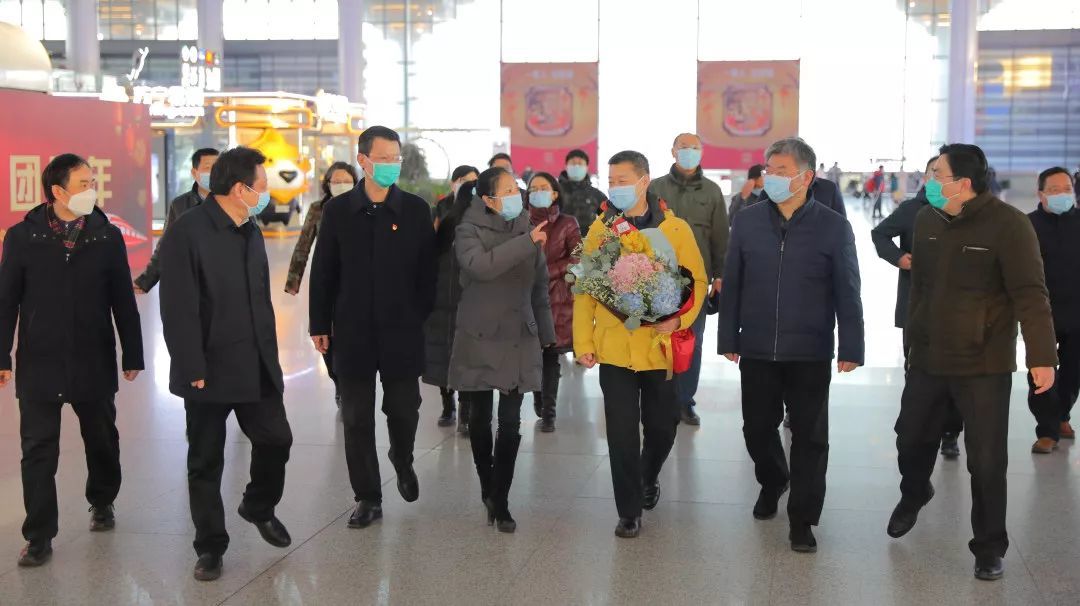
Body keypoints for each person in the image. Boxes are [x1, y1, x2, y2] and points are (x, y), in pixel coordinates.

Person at [887, 144, 1057, 582]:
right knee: (909, 439)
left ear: (963, 183)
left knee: (986, 462)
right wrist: (911, 343)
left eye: (937, 175)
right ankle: (915, 492)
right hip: (928, 358)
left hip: (983, 364)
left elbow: (1030, 293)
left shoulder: (1009, 224)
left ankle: (989, 547)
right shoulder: (926, 220)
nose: (930, 182)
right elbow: (920, 289)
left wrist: (1042, 356)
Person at [718, 137, 864, 554]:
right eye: (769, 169)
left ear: (806, 177)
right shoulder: (747, 221)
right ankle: (773, 480)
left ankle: (803, 519)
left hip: (810, 349)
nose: (772, 177)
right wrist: (728, 336)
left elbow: (847, 289)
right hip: (757, 346)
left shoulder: (833, 226)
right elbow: (733, 283)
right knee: (756, 429)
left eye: (781, 171)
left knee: (810, 437)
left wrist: (851, 345)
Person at [0, 153, 143, 568]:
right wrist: (2, 354)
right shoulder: (22, 237)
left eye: (92, 182)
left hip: (92, 356)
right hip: (40, 361)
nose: (91, 190)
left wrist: (133, 352)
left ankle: (103, 499)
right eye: (83, 184)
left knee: (101, 439)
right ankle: (39, 535)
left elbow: (123, 299)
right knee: (37, 450)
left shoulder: (106, 235)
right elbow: (6, 300)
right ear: (58, 191)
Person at [159, 146, 294, 581]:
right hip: (208, 367)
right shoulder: (187, 232)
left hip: (255, 362)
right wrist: (191, 365)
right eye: (261, 185)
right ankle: (210, 548)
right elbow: (177, 306)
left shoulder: (249, 228)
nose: (266, 193)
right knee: (205, 461)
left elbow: (259, 300)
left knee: (276, 440)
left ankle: (258, 505)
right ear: (240, 189)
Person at [308, 126, 436, 530]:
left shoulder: (415, 210)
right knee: (356, 417)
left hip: (402, 331)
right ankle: (367, 496)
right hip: (352, 331)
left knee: (404, 409)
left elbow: (428, 274)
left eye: (395, 158)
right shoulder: (338, 211)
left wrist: (417, 315)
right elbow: (323, 271)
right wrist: (319, 323)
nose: (391, 165)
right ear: (363, 160)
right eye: (383, 158)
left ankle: (402, 457)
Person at [575, 150, 707, 539]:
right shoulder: (601, 230)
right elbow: (586, 289)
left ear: (644, 181)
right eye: (611, 181)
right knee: (620, 433)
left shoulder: (675, 229)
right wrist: (583, 341)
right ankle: (628, 510)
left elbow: (697, 281)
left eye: (622, 180)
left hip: (659, 348)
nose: (615, 187)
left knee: (663, 427)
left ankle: (648, 476)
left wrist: (679, 319)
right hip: (615, 349)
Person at [449, 166, 555, 533]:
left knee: (510, 423)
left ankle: (502, 498)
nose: (516, 195)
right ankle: (487, 485)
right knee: (479, 420)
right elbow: (481, 266)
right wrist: (527, 243)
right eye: (507, 190)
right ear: (488, 199)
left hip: (518, 335)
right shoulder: (468, 230)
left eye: (516, 189)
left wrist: (547, 334)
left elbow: (539, 288)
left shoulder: (528, 228)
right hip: (479, 335)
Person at [871, 156, 964, 459]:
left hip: (959, 310)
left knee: (956, 375)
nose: (936, 179)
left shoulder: (966, 209)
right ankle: (919, 431)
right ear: (925, 178)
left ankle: (950, 432)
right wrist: (898, 257)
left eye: (943, 174)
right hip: (917, 307)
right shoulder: (912, 210)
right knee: (917, 373)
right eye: (932, 173)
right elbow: (880, 233)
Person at [648, 133, 728, 425]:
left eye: (694, 148)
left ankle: (684, 401)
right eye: (684, 147)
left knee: (691, 340)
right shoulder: (655, 188)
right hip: (657, 278)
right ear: (673, 151)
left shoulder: (712, 192)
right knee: (656, 336)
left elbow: (721, 236)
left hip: (697, 280)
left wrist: (720, 275)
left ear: (702, 152)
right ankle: (658, 399)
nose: (689, 152)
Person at [284, 161, 358, 407]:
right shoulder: (319, 209)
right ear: (327, 184)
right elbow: (303, 244)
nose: (341, 185)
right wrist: (293, 281)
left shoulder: (364, 206)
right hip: (326, 279)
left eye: (346, 181)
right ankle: (337, 380)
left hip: (355, 282)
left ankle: (349, 385)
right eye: (336, 181)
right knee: (325, 335)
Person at [1027, 167, 1080, 453]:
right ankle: (1047, 430)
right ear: (1041, 194)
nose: (1063, 194)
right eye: (1055, 190)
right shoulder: (1027, 226)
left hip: (1077, 312)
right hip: (1041, 314)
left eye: (1067, 189)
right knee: (1041, 372)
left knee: (1073, 372)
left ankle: (1062, 417)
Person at [527, 172, 582, 432]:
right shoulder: (520, 222)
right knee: (531, 355)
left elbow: (578, 257)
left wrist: (547, 272)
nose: (538, 192)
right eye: (533, 189)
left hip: (556, 297)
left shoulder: (567, 223)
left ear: (555, 193)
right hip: (525, 297)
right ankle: (539, 400)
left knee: (550, 355)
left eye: (543, 188)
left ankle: (548, 412)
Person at [424, 171, 478, 434]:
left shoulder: (488, 226)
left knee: (468, 359)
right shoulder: (447, 222)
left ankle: (465, 412)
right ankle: (449, 406)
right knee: (444, 356)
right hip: (444, 299)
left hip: (470, 301)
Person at [134, 148, 219, 293]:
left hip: (222, 283)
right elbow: (166, 245)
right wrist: (147, 280)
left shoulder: (234, 204)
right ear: (194, 173)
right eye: (208, 168)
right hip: (190, 283)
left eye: (218, 168)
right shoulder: (179, 205)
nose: (214, 173)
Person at [558, 149, 608, 238]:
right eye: (573, 163)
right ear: (566, 166)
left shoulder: (596, 194)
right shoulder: (555, 191)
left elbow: (609, 220)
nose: (576, 166)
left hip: (588, 243)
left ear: (586, 167)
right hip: (559, 242)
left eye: (580, 163)